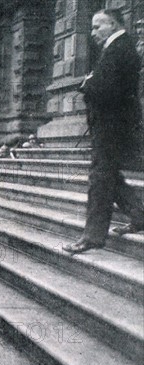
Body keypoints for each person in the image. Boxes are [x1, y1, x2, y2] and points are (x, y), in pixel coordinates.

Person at [63, 9, 144, 254]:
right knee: (109, 175)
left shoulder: (119, 48)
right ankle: (140, 215)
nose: (93, 33)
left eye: (98, 26)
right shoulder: (118, 47)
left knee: (100, 178)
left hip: (113, 126)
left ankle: (93, 237)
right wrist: (91, 81)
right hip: (113, 125)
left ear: (114, 24)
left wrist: (87, 84)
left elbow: (105, 88)